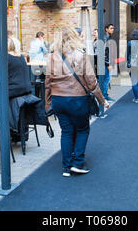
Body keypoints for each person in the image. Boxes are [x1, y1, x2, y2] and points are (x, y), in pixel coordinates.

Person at [45, 27, 109, 177]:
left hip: (58, 99)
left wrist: (48, 102)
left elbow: (47, 82)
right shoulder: (81, 55)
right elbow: (91, 82)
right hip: (77, 99)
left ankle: (66, 167)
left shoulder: (51, 56)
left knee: (66, 132)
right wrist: (102, 100)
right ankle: (77, 163)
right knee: (82, 130)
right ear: (74, 38)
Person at [103, 23, 116, 101]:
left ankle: (105, 95)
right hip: (105, 63)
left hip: (109, 62)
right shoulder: (105, 38)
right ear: (106, 29)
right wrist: (108, 64)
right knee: (106, 79)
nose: (112, 30)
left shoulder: (109, 37)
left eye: (113, 28)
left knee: (107, 79)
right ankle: (104, 96)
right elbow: (105, 52)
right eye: (111, 28)